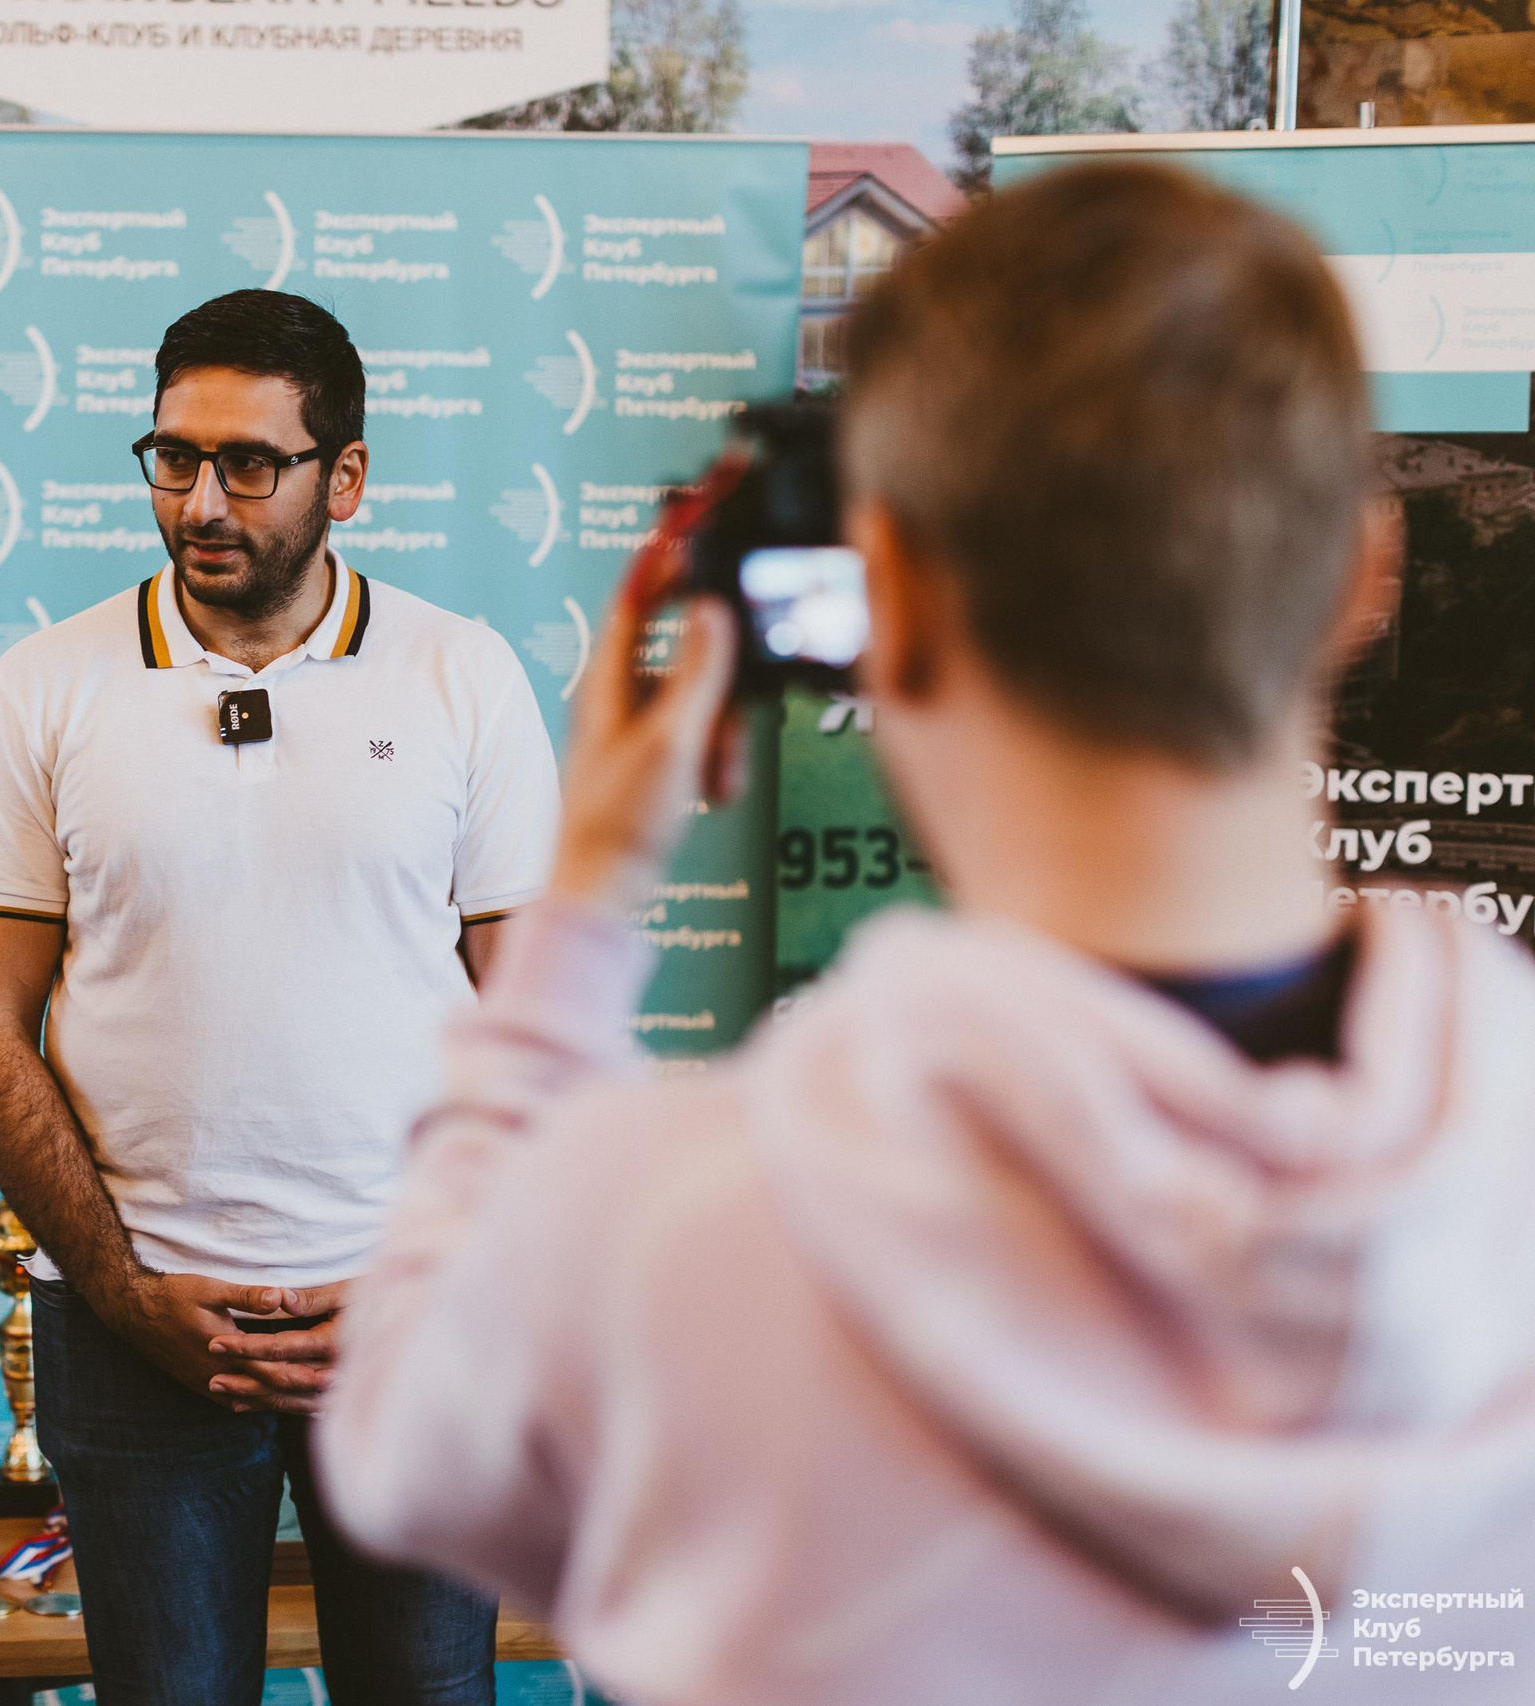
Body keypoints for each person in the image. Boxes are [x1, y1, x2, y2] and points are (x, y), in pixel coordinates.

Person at [319, 161, 1535, 1704]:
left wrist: (584, 901)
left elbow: (404, 1440)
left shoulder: (687, 1224)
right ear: (1366, 579)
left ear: (881, 594)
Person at [0, 288, 558, 1704]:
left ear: (344, 476)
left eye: (250, 463)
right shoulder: (48, 685)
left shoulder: (463, 675)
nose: (203, 500)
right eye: (173, 457)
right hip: (135, 1326)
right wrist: (118, 1286)